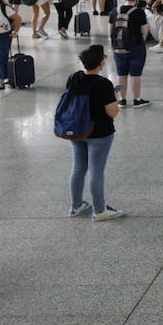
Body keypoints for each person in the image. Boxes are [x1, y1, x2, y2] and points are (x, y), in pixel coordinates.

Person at [64, 44, 124, 220]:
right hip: (99, 133)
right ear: (100, 63)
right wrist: (115, 97)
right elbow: (112, 112)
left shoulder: (74, 77)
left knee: (78, 169)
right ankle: (99, 210)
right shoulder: (103, 83)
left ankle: (75, 206)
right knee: (96, 171)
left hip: (77, 131)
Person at [111, 0, 151, 108]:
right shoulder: (139, 12)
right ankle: (137, 100)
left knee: (121, 75)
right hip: (136, 47)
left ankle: (121, 100)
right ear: (136, 0)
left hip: (118, 48)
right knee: (135, 75)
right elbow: (144, 31)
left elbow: (110, 30)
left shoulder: (114, 11)